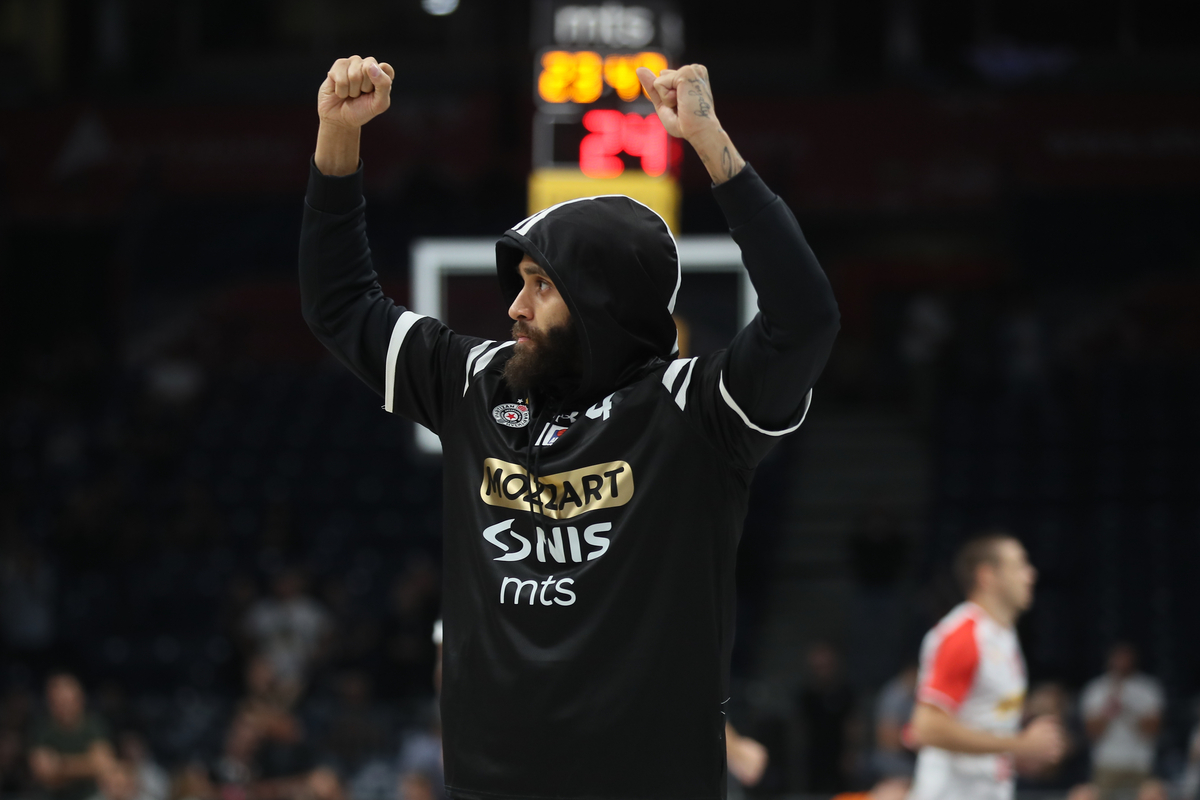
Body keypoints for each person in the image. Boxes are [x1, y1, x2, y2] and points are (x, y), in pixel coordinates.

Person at [300, 53, 839, 800]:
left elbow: (805, 322)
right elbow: (341, 306)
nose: (515, 308)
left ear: (602, 304)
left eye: (542, 286)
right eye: (519, 285)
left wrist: (713, 145)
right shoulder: (477, 386)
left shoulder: (693, 410)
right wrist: (337, 139)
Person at [908, 532, 1066, 800]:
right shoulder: (963, 636)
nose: (1031, 574)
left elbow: (981, 719)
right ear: (987, 576)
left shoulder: (1004, 636)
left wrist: (1025, 749)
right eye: (1019, 566)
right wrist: (1020, 745)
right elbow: (926, 727)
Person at [1080, 642, 1164, 797]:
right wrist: (1109, 711)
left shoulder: (1148, 689)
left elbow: (1153, 730)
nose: (1122, 662)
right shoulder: (1096, 689)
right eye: (1118, 658)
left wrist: (1128, 710)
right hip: (1106, 762)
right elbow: (1091, 732)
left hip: (1140, 762)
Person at [28, 673, 115, 800]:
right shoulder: (40, 729)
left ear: (81, 699)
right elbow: (44, 772)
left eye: (69, 700)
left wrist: (60, 765)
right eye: (58, 702)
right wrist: (88, 763)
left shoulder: (95, 725)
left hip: (91, 796)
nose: (65, 707)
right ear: (49, 703)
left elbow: (104, 765)